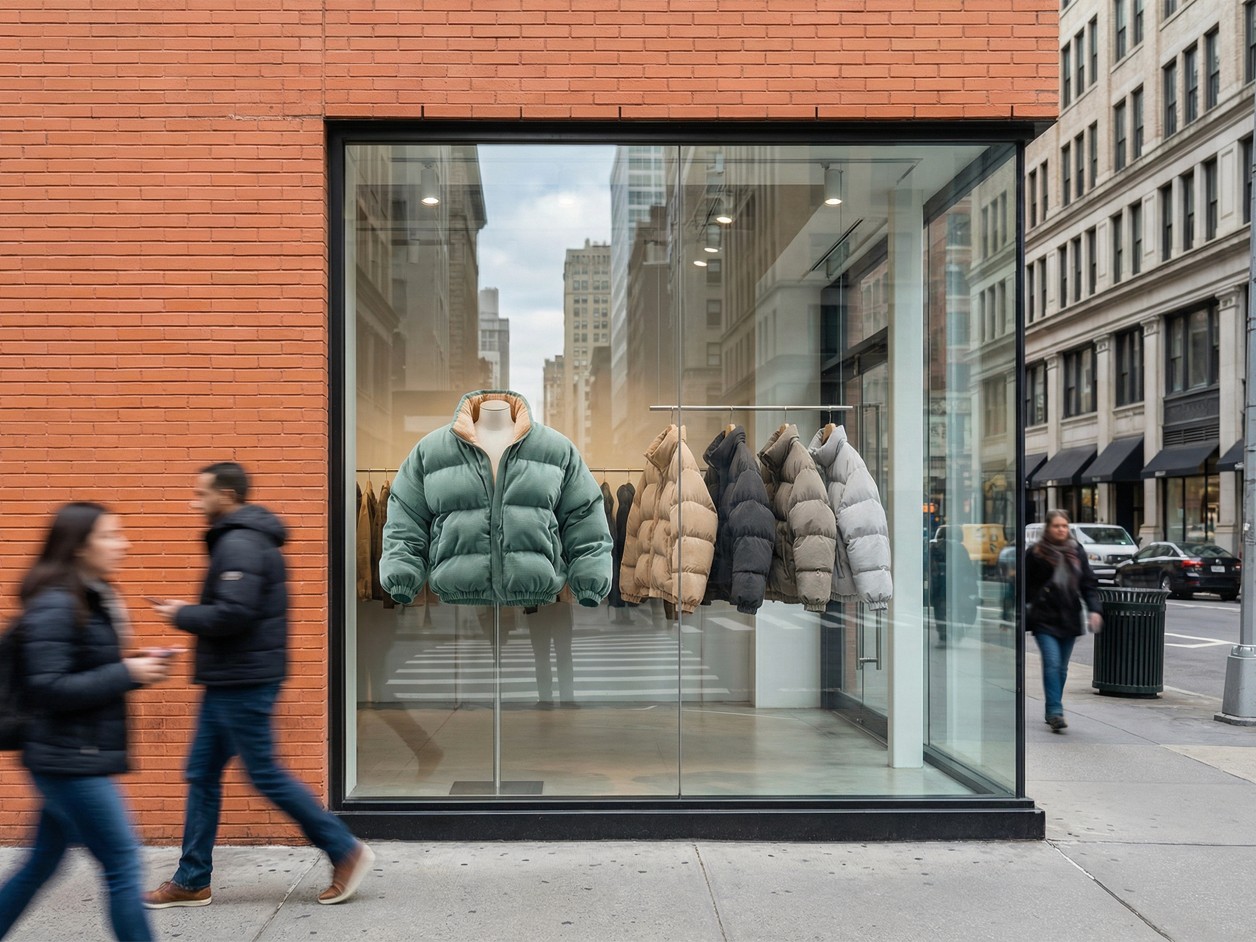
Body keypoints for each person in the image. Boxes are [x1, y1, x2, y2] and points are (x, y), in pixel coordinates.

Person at [144, 462, 373, 910]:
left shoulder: (241, 542)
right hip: (230, 678)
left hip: (243, 680)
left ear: (227, 496)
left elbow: (233, 613)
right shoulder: (240, 540)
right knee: (201, 774)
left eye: (201, 494)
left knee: (263, 773)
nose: (195, 502)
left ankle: (344, 849)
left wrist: (180, 615)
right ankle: (192, 879)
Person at [0, 502, 172, 941]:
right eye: (111, 535)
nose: (124, 544)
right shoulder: (57, 603)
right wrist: (126, 673)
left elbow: (82, 671)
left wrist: (133, 669)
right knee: (123, 863)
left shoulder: (87, 596)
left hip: (72, 753)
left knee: (40, 864)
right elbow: (48, 688)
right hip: (66, 759)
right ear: (79, 546)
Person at [1024, 509, 1103, 732]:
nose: (1061, 529)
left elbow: (1088, 584)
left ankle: (1053, 708)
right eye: (1057, 525)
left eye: (1064, 526)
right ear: (1048, 528)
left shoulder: (1076, 551)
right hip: (1044, 617)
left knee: (1061, 668)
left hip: (1069, 616)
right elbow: (1022, 587)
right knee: (1051, 662)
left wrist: (1094, 610)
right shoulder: (1035, 553)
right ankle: (1055, 711)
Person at [928, 529, 978, 646]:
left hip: (940, 584)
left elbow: (930, 566)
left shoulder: (935, 547)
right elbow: (969, 568)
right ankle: (956, 631)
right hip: (957, 584)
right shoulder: (961, 549)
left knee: (940, 609)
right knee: (956, 607)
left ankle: (943, 636)